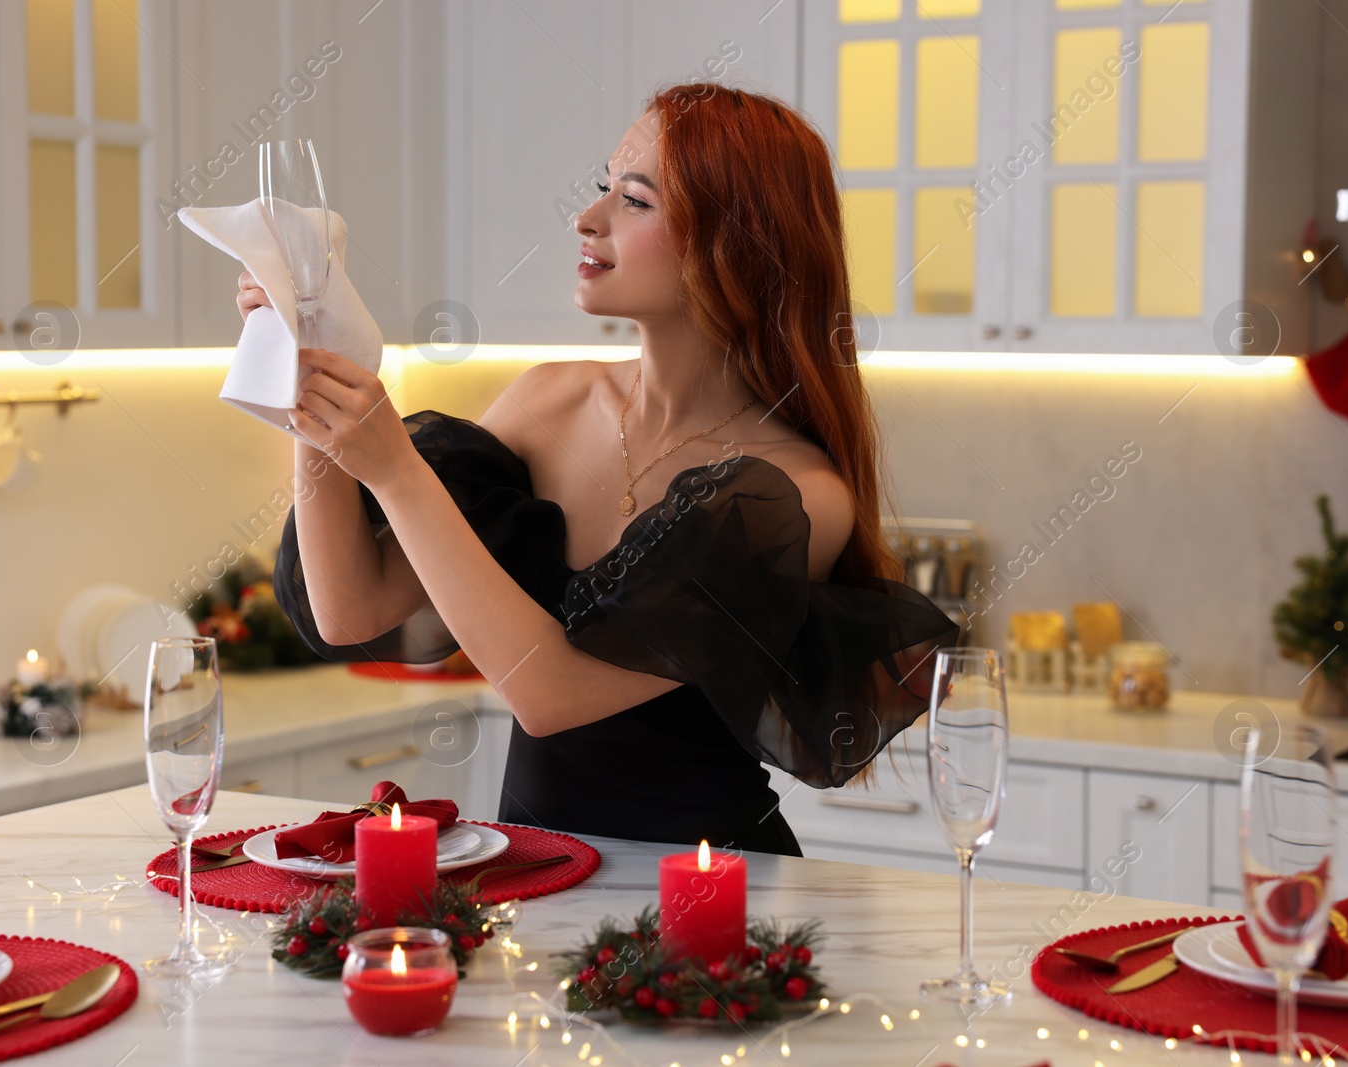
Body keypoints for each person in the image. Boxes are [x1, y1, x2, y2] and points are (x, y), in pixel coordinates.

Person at [246, 83, 958, 857]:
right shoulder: (549, 398)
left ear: (738, 242)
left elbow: (553, 693)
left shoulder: (795, 492)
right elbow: (351, 609)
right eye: (603, 189)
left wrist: (395, 471)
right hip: (532, 875)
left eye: (638, 201)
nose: (588, 219)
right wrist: (307, 370)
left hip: (703, 895)